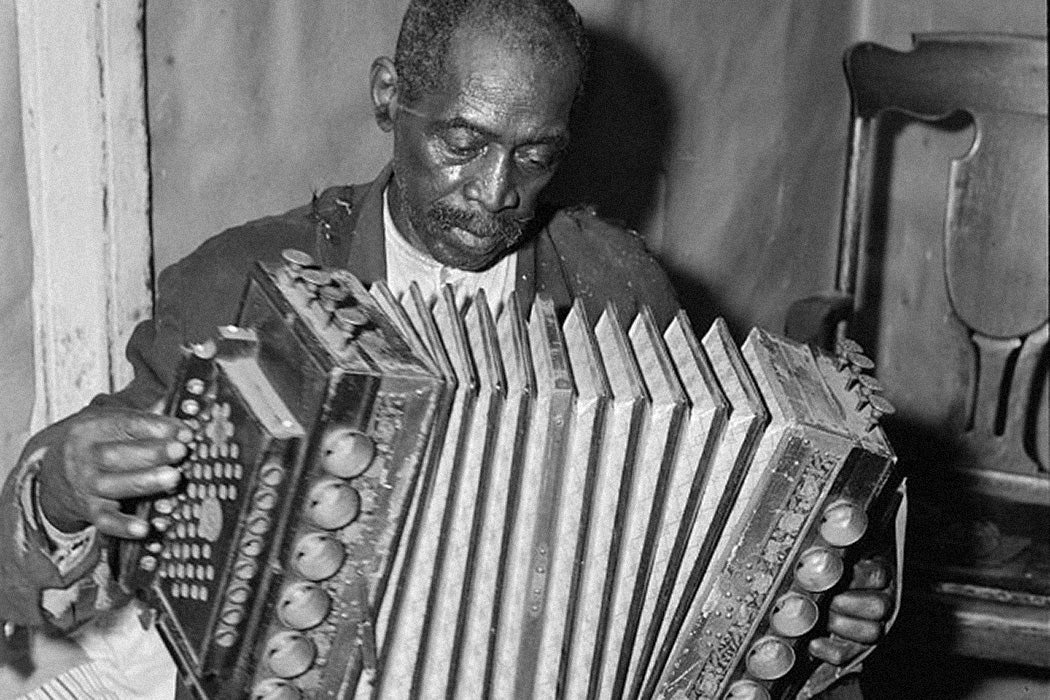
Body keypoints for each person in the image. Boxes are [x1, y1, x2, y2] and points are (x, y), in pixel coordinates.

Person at [0, 0, 895, 697]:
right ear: (390, 94)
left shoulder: (617, 289)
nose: (495, 193)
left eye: (537, 155)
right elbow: (85, 528)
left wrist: (824, 612)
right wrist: (62, 490)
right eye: (462, 143)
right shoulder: (244, 282)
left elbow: (724, 533)